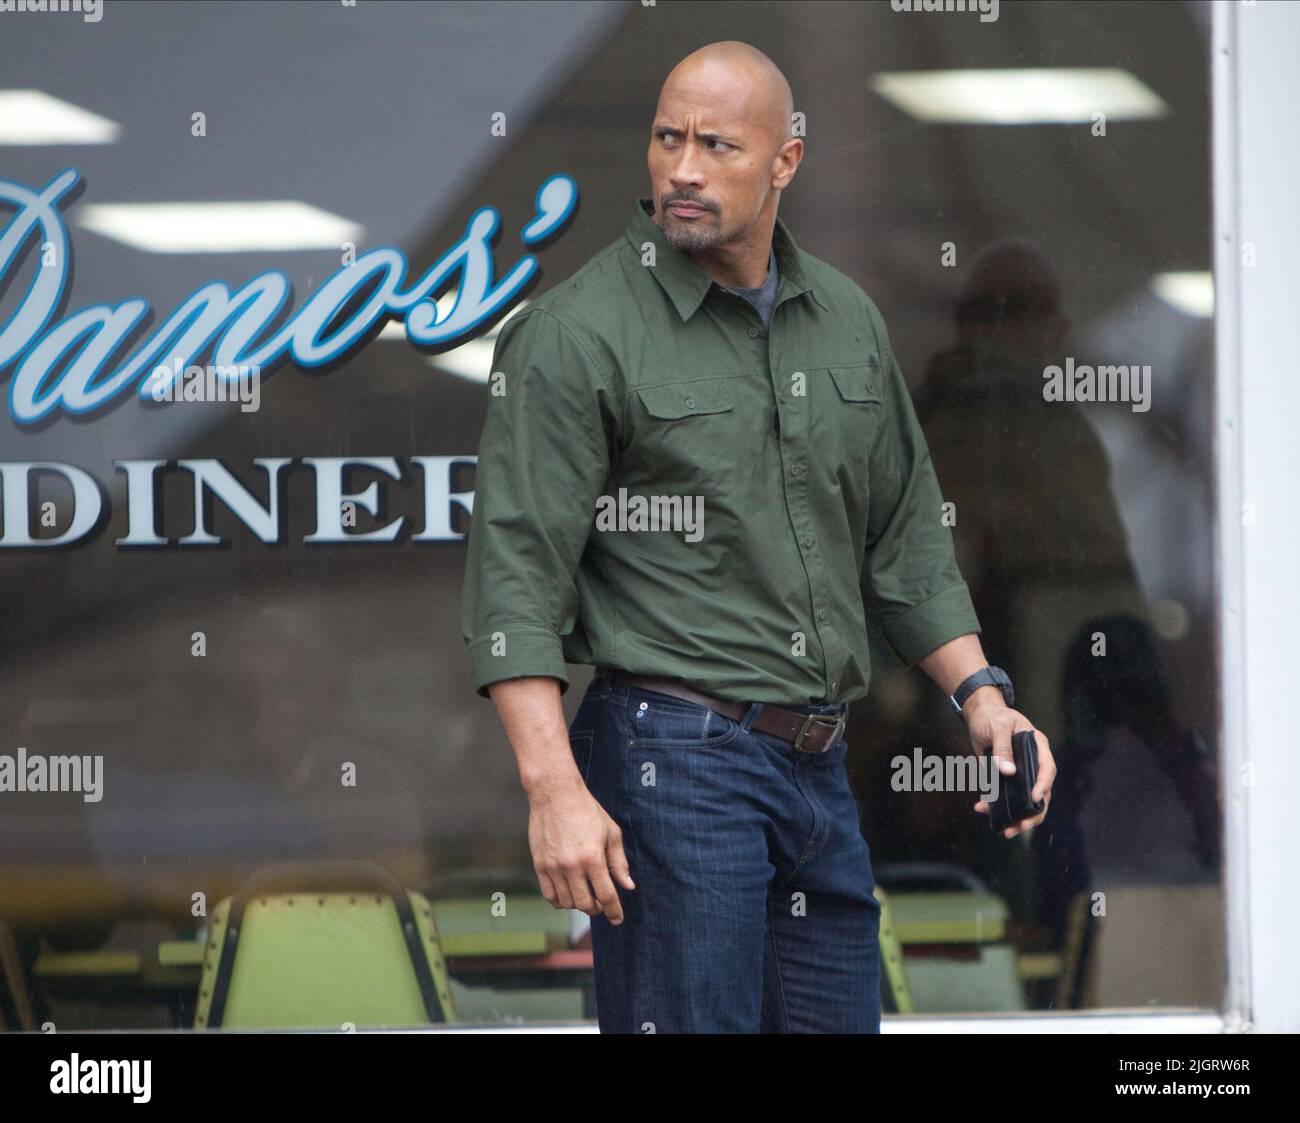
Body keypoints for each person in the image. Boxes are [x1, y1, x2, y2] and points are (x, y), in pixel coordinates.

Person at [461, 40, 1055, 1033]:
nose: (682, 169)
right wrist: (552, 787)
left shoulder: (845, 321)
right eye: (667, 138)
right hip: (671, 759)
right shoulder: (576, 335)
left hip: (818, 763)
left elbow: (903, 538)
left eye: (718, 146)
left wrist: (982, 697)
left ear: (785, 161)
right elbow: (514, 575)